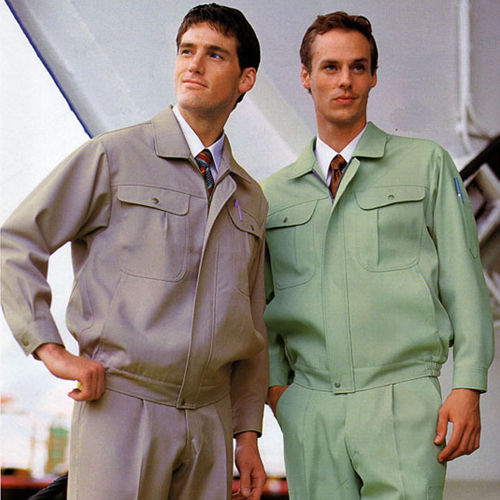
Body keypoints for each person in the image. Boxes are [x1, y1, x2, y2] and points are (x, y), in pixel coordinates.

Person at [1, 4, 268, 499]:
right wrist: (49, 348)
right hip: (121, 404)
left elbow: (252, 325)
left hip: (209, 422)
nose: (194, 65)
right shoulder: (114, 156)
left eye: (214, 55)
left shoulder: (250, 198)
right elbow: (16, 241)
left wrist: (247, 434)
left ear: (245, 79)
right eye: (186, 51)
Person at [262, 11, 494, 500]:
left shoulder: (426, 164)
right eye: (330, 67)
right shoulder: (273, 195)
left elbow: (464, 280)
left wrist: (469, 384)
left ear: (373, 77)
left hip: (403, 399)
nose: (345, 80)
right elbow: (259, 305)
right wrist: (278, 389)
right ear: (305, 77)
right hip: (311, 408)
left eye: (358, 67)